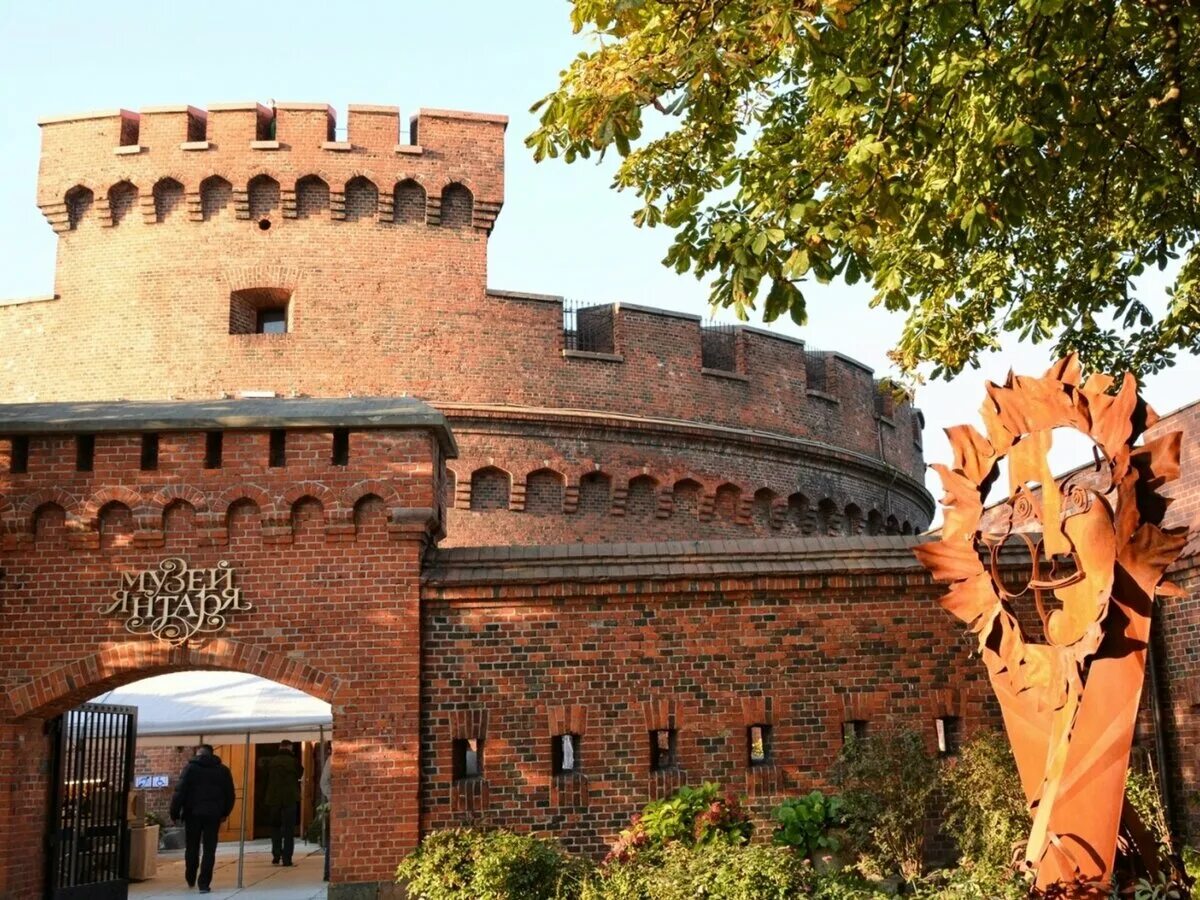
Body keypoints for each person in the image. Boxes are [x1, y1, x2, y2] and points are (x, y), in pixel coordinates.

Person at [169, 744, 235, 894]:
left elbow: (179, 791)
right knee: (209, 849)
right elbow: (230, 794)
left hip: (193, 813)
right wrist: (225, 812)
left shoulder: (190, 769)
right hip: (213, 814)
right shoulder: (223, 770)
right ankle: (204, 883)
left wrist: (174, 813)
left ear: (198, 754)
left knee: (192, 846)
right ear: (212, 754)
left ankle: (190, 875)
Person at [263, 739, 303, 866]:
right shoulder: (294, 762)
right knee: (288, 830)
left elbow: (265, 779)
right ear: (290, 748)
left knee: (275, 828)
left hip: (273, 799)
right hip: (290, 799)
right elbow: (300, 773)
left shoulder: (271, 762)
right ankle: (287, 858)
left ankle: (276, 854)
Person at [319, 744, 332, 881]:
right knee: (332, 840)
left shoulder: (331, 760)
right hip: (335, 803)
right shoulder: (332, 760)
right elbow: (324, 782)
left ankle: (328, 872)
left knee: (332, 841)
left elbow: (323, 782)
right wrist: (332, 796)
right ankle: (328, 872)